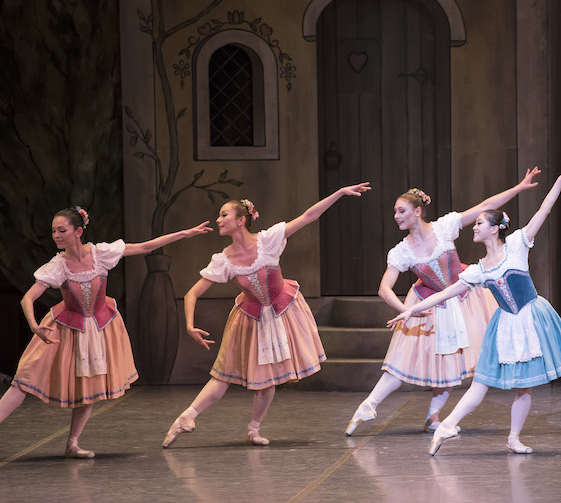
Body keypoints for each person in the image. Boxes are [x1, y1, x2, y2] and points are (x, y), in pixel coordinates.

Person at [388, 158, 561, 455]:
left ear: (495, 229)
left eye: (480, 222)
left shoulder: (518, 244)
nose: (474, 226)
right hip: (504, 325)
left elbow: (544, 210)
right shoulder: (477, 270)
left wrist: (559, 181)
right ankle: (446, 425)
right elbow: (444, 294)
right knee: (480, 383)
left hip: (532, 318)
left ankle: (514, 438)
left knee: (524, 387)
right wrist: (410, 310)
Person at [162, 184, 370, 448]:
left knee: (268, 377)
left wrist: (339, 193)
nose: (218, 220)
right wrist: (190, 326)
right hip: (250, 317)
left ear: (241, 220)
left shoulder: (268, 240)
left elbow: (308, 216)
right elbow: (192, 294)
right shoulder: (223, 259)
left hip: (282, 309)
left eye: (224, 215)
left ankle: (253, 429)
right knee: (224, 374)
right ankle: (186, 417)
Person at [0, 207, 211, 458]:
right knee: (23, 380)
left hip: (98, 327)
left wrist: (185, 233)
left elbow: (144, 247)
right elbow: (28, 298)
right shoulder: (59, 265)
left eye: (62, 230)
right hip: (66, 327)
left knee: (88, 388)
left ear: (78, 232)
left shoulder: (100, 254)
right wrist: (34, 325)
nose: (56, 235)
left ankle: (73, 444)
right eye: (54, 231)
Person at [345, 170, 541, 436]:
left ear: (417, 211)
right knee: (401, 362)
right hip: (428, 304)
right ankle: (368, 406)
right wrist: (407, 311)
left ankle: (433, 416)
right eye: (395, 212)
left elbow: (484, 206)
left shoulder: (444, 226)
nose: (397, 217)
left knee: (452, 363)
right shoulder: (402, 251)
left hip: (462, 298)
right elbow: (384, 288)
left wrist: (518, 188)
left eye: (401, 211)